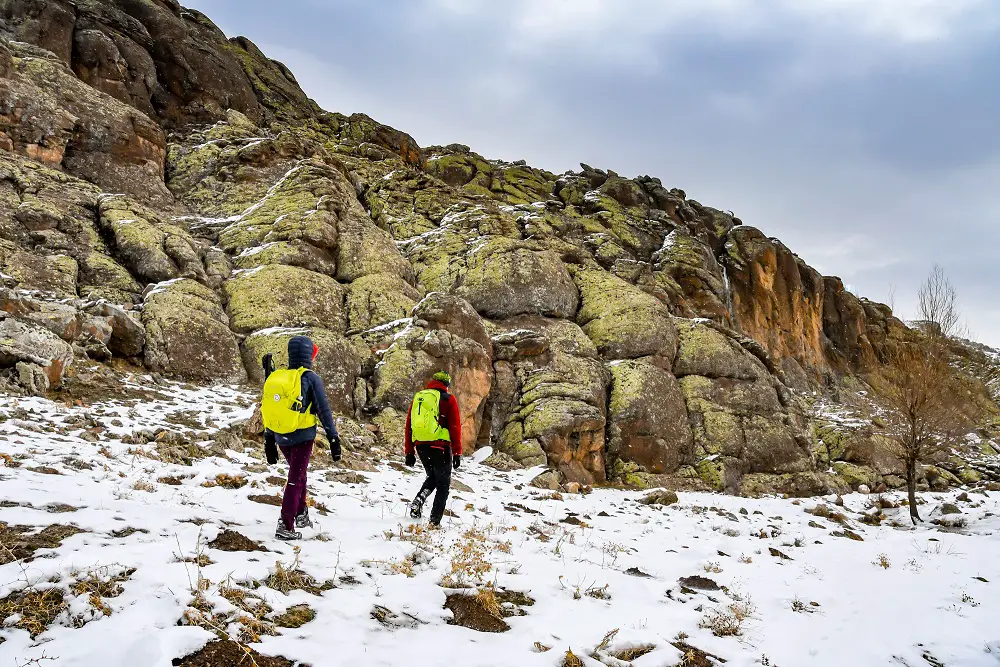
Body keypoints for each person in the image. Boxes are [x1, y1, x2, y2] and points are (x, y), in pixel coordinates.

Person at [260, 336, 342, 541]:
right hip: (303, 436)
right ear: (309, 355)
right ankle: (285, 524)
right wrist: (333, 438)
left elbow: (271, 410)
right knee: (295, 479)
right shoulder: (311, 378)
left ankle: (301, 513)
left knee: (299, 474)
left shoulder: (279, 377)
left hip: (280, 435)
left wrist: (269, 439)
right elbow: (324, 411)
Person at [405, 371, 462, 526]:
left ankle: (418, 500)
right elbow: (455, 426)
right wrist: (457, 452)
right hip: (440, 447)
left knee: (433, 477)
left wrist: (409, 451)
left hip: (421, 446)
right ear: (447, 385)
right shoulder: (448, 399)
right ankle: (434, 522)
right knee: (443, 485)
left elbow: (409, 425)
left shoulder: (419, 398)